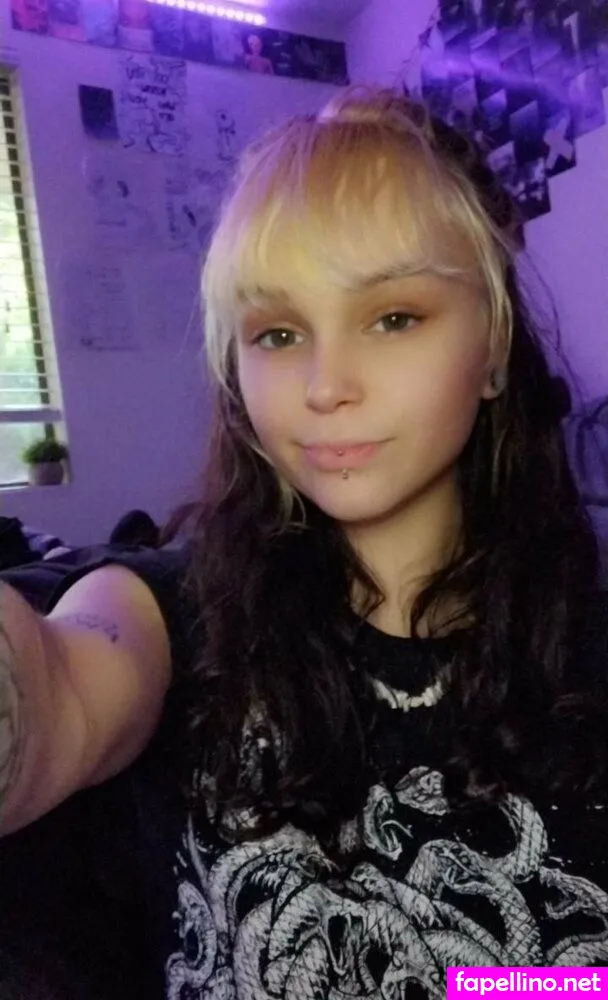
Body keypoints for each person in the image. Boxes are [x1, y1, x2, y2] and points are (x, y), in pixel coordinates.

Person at [1, 87, 607, 997]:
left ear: (492, 349)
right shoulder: (179, 619)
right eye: (278, 333)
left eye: (394, 317)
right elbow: (62, 689)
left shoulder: (586, 658)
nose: (324, 386)